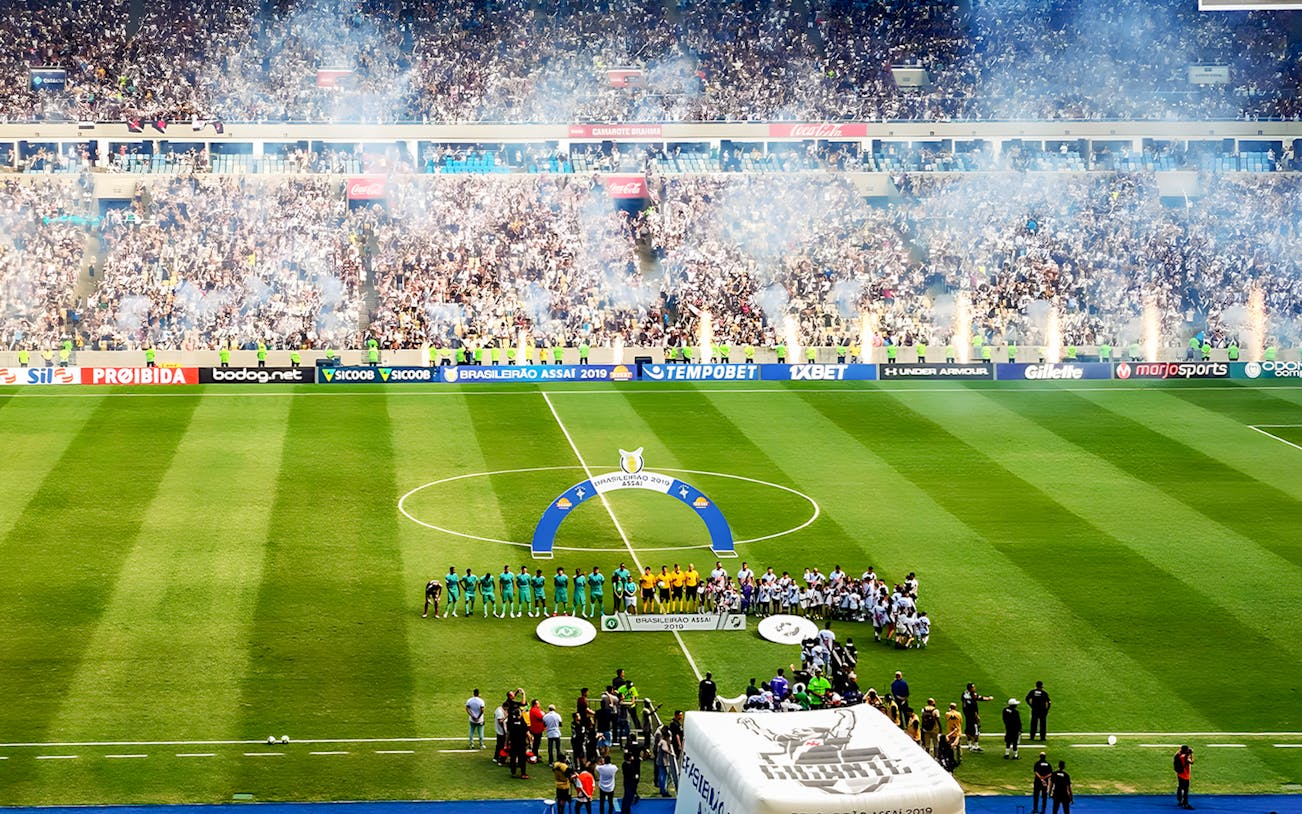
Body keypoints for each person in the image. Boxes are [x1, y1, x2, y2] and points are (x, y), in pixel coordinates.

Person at [961, 682, 993, 752]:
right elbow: (978, 700)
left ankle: (969, 745)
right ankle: (976, 745)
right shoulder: (972, 696)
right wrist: (977, 716)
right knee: (976, 731)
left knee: (968, 729)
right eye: (973, 687)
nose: (974, 688)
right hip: (973, 716)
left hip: (967, 716)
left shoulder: (964, 694)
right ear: (971, 688)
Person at [1174, 744, 1194, 809]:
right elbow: (1191, 762)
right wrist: (1191, 754)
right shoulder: (1184, 757)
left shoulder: (1178, 754)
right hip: (1185, 775)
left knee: (1180, 787)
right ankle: (1185, 804)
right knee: (1185, 790)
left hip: (1179, 774)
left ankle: (1180, 800)